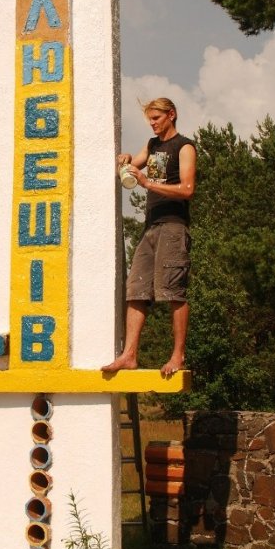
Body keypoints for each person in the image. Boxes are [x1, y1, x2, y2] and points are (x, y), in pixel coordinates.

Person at [102, 97, 196, 378]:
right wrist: (126, 159)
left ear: (171, 115)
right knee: (136, 289)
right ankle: (129, 355)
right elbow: (135, 164)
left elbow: (188, 189)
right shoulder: (153, 145)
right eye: (150, 120)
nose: (153, 124)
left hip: (173, 226)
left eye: (156, 118)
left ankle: (178, 354)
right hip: (151, 227)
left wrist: (146, 183)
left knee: (173, 291)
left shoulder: (184, 146)